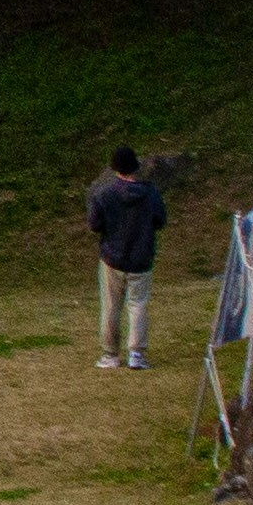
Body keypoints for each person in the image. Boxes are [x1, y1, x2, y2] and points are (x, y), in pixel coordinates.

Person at [89, 146, 170, 370]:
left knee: (111, 306)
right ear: (135, 166)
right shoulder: (150, 194)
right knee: (138, 305)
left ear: (115, 168)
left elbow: (94, 224)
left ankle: (110, 354)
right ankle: (136, 353)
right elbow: (160, 221)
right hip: (141, 258)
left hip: (112, 258)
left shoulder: (104, 194)